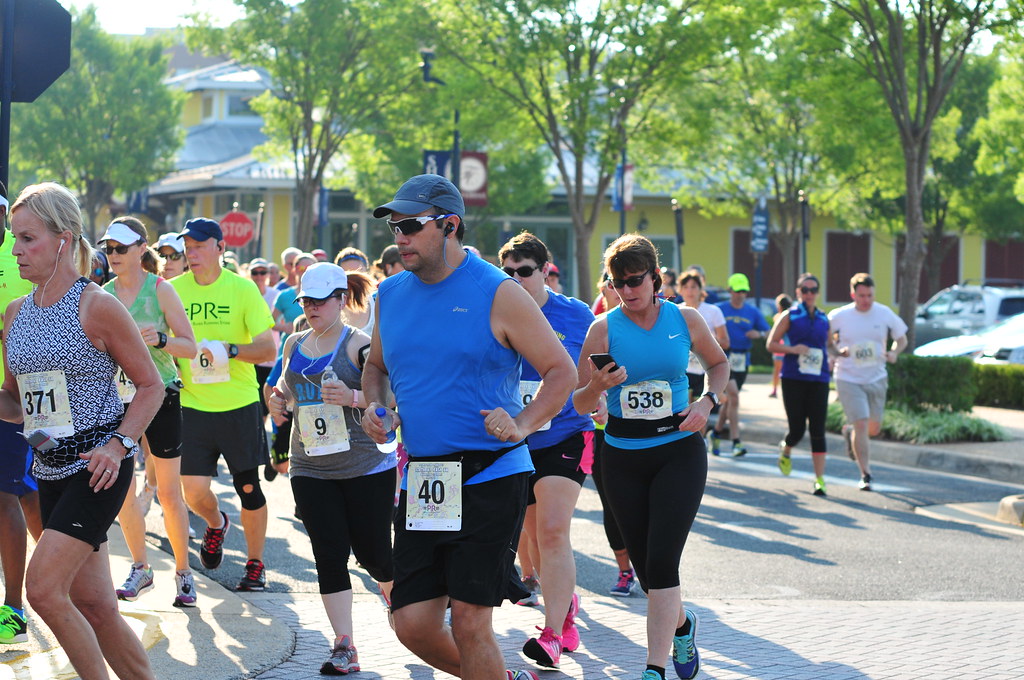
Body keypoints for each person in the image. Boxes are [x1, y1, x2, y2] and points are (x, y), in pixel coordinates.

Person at [362, 174, 575, 680]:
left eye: (411, 225)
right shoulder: (389, 294)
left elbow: (561, 371)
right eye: (395, 227)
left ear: (450, 225)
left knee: (470, 622)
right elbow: (376, 367)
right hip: (426, 478)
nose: (400, 237)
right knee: (411, 624)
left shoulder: (498, 292)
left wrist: (522, 424)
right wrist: (376, 408)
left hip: (490, 473)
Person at [1, 182, 163, 679]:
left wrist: (118, 446)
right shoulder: (16, 313)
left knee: (43, 590)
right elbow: (14, 402)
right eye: (13, 237)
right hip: (48, 467)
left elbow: (151, 386)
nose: (15, 249)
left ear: (63, 240)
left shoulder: (95, 305)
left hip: (96, 468)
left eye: (28, 238)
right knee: (95, 605)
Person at [572, 234, 728, 680]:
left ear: (655, 278)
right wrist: (598, 386)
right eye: (618, 283)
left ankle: (653, 669)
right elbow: (579, 403)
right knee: (647, 573)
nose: (627, 290)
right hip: (622, 457)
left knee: (662, 563)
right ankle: (682, 624)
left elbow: (718, 365)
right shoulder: (602, 329)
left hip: (678, 450)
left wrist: (707, 402)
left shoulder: (685, 318)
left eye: (635, 280)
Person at [267, 262, 395, 675]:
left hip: (366, 466)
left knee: (375, 555)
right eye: (306, 301)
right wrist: (277, 401)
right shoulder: (293, 342)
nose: (312, 308)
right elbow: (285, 389)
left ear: (341, 300)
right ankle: (345, 644)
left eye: (321, 301)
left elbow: (392, 399)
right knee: (329, 553)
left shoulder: (360, 346)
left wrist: (354, 397)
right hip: (310, 466)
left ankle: (396, 596)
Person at [499, 232, 593, 669]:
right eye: (508, 272)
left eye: (524, 271)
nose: (516, 278)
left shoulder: (576, 314)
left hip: (566, 435)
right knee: (534, 539)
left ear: (545, 271)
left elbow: (595, 369)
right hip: (517, 440)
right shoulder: (495, 313)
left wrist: (599, 394)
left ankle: (553, 634)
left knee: (554, 531)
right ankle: (564, 604)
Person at [170, 217, 277, 591]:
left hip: (238, 403)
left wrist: (230, 350)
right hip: (193, 404)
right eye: (188, 247)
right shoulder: (173, 290)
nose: (191, 253)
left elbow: (267, 349)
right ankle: (216, 523)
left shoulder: (242, 289)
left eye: (199, 246)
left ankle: (255, 564)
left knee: (249, 488)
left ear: (220, 247)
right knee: (193, 491)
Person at [100, 218, 199, 607]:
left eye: (121, 248)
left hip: (161, 396)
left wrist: (160, 339)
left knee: (170, 493)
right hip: (119, 399)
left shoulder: (161, 290)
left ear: (142, 249)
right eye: (109, 248)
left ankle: (183, 572)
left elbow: (190, 347)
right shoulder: (103, 294)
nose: (113, 255)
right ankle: (140, 567)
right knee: (123, 489)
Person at [0, 193, 43, 646]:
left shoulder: (20, 258)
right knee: (28, 495)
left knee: (10, 497)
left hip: (14, 400)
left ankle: (14, 607)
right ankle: (61, 579)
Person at [828, 273, 908, 491]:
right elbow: (825, 338)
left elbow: (901, 338)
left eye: (870, 295)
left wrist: (894, 352)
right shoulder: (840, 316)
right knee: (861, 424)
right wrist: (836, 352)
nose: (866, 300)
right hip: (848, 377)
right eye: (862, 296)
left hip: (877, 377)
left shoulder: (883, 313)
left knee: (873, 428)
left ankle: (850, 432)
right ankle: (866, 474)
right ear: (853, 295)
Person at [767, 273, 836, 496]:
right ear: (798, 292)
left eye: (813, 290)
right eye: (804, 290)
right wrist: (792, 349)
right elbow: (771, 344)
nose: (809, 294)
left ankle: (820, 480)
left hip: (819, 379)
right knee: (797, 430)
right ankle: (786, 448)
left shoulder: (824, 318)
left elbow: (829, 345)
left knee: (818, 429)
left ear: (818, 293)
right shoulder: (790, 315)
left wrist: (840, 352)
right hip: (793, 379)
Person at [711, 273, 769, 457]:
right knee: (734, 397)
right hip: (723, 358)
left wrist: (759, 334)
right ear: (730, 291)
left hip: (743, 359)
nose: (741, 294)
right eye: (737, 291)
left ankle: (716, 433)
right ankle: (736, 442)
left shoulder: (752, 312)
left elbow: (769, 332)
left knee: (730, 400)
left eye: (744, 291)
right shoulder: (719, 309)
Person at [678, 269, 729, 403]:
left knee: (701, 410)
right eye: (685, 287)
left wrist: (705, 341)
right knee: (683, 410)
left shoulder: (713, 311)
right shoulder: (674, 311)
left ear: (701, 289)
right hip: (683, 370)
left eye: (694, 287)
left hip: (705, 371)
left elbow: (725, 342)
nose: (690, 291)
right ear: (680, 290)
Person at [769, 294, 792, 398]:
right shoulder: (791, 317)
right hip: (788, 346)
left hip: (779, 346)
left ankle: (775, 389)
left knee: (777, 370)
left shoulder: (778, 317)